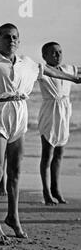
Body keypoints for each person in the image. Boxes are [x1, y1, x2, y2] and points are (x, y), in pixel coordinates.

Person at [0, 23, 81, 243]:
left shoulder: (27, 63)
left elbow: (48, 70)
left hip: (21, 114)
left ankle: (13, 216)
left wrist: (74, 79)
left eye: (15, 38)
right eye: (6, 37)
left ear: (19, 41)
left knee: (15, 171)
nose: (11, 41)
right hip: (0, 112)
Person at [38, 42, 80, 205]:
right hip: (50, 112)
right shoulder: (42, 70)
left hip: (64, 112)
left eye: (60, 52)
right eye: (53, 53)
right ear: (45, 56)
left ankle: (56, 188)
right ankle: (46, 191)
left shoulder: (69, 69)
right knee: (47, 154)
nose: (58, 55)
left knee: (59, 154)